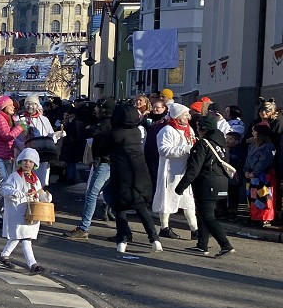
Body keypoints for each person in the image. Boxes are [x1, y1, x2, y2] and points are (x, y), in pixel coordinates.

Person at [99, 103, 162, 255]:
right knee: (141, 208)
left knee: (120, 208)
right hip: (140, 172)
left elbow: (101, 149)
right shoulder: (136, 132)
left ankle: (122, 241)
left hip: (121, 173)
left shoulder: (115, 134)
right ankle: (155, 240)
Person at [175, 117, 235, 257]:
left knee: (208, 216)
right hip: (220, 182)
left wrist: (181, 186)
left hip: (207, 184)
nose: (197, 129)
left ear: (203, 128)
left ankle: (225, 245)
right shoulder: (221, 144)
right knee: (202, 214)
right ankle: (202, 245)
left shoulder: (203, 144)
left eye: (198, 126)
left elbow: (194, 168)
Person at [0, 147, 51, 274]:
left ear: (35, 164)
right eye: (25, 160)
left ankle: (4, 255)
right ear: (20, 161)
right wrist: (16, 193)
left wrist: (46, 197)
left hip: (31, 212)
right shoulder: (14, 176)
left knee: (20, 236)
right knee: (24, 237)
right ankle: (33, 264)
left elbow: (39, 192)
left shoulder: (36, 179)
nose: (27, 163)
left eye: (31, 161)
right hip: (18, 211)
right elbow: (4, 190)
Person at [67, 98, 116, 240]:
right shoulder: (110, 122)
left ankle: (84, 228)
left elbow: (86, 133)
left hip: (105, 163)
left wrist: (86, 121)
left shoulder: (105, 124)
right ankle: (124, 230)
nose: (95, 111)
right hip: (107, 162)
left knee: (92, 194)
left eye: (98, 109)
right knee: (110, 196)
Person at [154, 102, 198, 240]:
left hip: (184, 171)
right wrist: (184, 150)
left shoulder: (189, 130)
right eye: (185, 114)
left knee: (188, 200)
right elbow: (163, 150)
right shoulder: (167, 131)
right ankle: (164, 227)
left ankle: (195, 229)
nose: (188, 117)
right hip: (170, 171)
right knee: (167, 199)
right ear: (177, 116)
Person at [0, 96, 26, 227]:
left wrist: (20, 145)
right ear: (4, 107)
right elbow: (6, 136)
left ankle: (2, 213)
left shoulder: (9, 119)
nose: (13, 107)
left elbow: (11, 139)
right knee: (3, 184)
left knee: (7, 184)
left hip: (6, 155)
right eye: (11, 105)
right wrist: (20, 127)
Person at [244, 123, 276, 227]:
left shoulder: (269, 147)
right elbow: (247, 159)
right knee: (252, 197)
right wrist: (246, 171)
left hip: (262, 176)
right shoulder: (252, 145)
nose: (252, 133)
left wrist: (255, 173)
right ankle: (254, 216)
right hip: (251, 176)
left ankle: (263, 218)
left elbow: (264, 161)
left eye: (255, 131)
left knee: (263, 197)